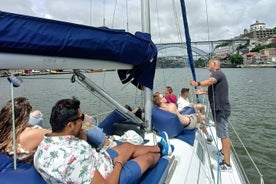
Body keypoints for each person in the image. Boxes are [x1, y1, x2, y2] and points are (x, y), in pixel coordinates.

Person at [34, 97, 173, 184]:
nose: (83, 122)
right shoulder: (74, 157)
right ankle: (158, 153)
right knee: (149, 158)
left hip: (97, 161)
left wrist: (82, 138)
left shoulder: (43, 145)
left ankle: (161, 147)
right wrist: (119, 163)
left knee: (128, 146)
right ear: (69, 125)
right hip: (109, 176)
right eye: (81, 119)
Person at [190, 58, 232, 172]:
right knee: (222, 133)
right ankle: (223, 151)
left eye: (208, 64)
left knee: (224, 135)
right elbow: (214, 91)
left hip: (221, 109)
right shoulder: (218, 74)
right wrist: (203, 92)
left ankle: (227, 164)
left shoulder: (217, 73)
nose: (207, 65)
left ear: (214, 64)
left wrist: (197, 83)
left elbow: (210, 82)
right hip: (218, 108)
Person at [0, 97, 50, 163]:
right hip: (25, 166)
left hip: (8, 158)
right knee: (37, 115)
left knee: (36, 114)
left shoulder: (3, 132)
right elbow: (58, 134)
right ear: (25, 117)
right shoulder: (31, 134)